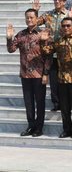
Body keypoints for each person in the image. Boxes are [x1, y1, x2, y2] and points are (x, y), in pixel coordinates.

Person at [6, 9, 51, 137]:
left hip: (38, 74)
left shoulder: (43, 34)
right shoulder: (21, 34)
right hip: (25, 74)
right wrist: (9, 38)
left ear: (37, 18)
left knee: (40, 101)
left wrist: (46, 73)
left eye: (32, 17)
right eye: (27, 18)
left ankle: (39, 127)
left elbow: (48, 56)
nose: (29, 20)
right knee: (28, 102)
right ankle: (31, 126)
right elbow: (11, 49)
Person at [40, 17, 72, 139]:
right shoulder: (58, 40)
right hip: (61, 78)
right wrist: (43, 41)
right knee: (64, 107)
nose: (66, 28)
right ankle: (67, 129)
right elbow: (47, 51)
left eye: (68, 25)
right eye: (64, 26)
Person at [34, 0, 72, 112]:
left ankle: (67, 102)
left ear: (64, 2)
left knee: (65, 79)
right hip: (51, 51)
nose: (57, 1)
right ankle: (56, 103)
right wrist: (35, 11)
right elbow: (34, 23)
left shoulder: (69, 14)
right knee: (53, 80)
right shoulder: (48, 15)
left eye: (60, 0)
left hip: (66, 51)